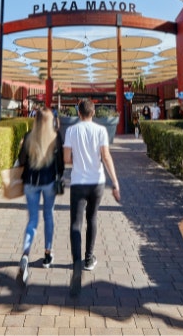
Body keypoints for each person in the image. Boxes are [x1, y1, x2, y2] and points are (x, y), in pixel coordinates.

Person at [63, 99, 121, 296]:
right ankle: (89, 259)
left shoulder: (71, 131)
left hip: (78, 181)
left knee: (75, 224)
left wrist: (77, 159)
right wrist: (115, 182)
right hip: (97, 182)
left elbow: (66, 158)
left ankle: (77, 264)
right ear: (93, 112)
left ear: (79, 113)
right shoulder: (101, 131)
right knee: (92, 218)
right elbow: (106, 157)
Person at [17, 106, 64, 285]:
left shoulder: (29, 137)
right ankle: (47, 254)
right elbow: (60, 164)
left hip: (30, 182)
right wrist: (59, 174)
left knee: (32, 220)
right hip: (49, 181)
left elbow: (21, 160)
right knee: (49, 215)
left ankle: (26, 254)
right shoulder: (55, 137)